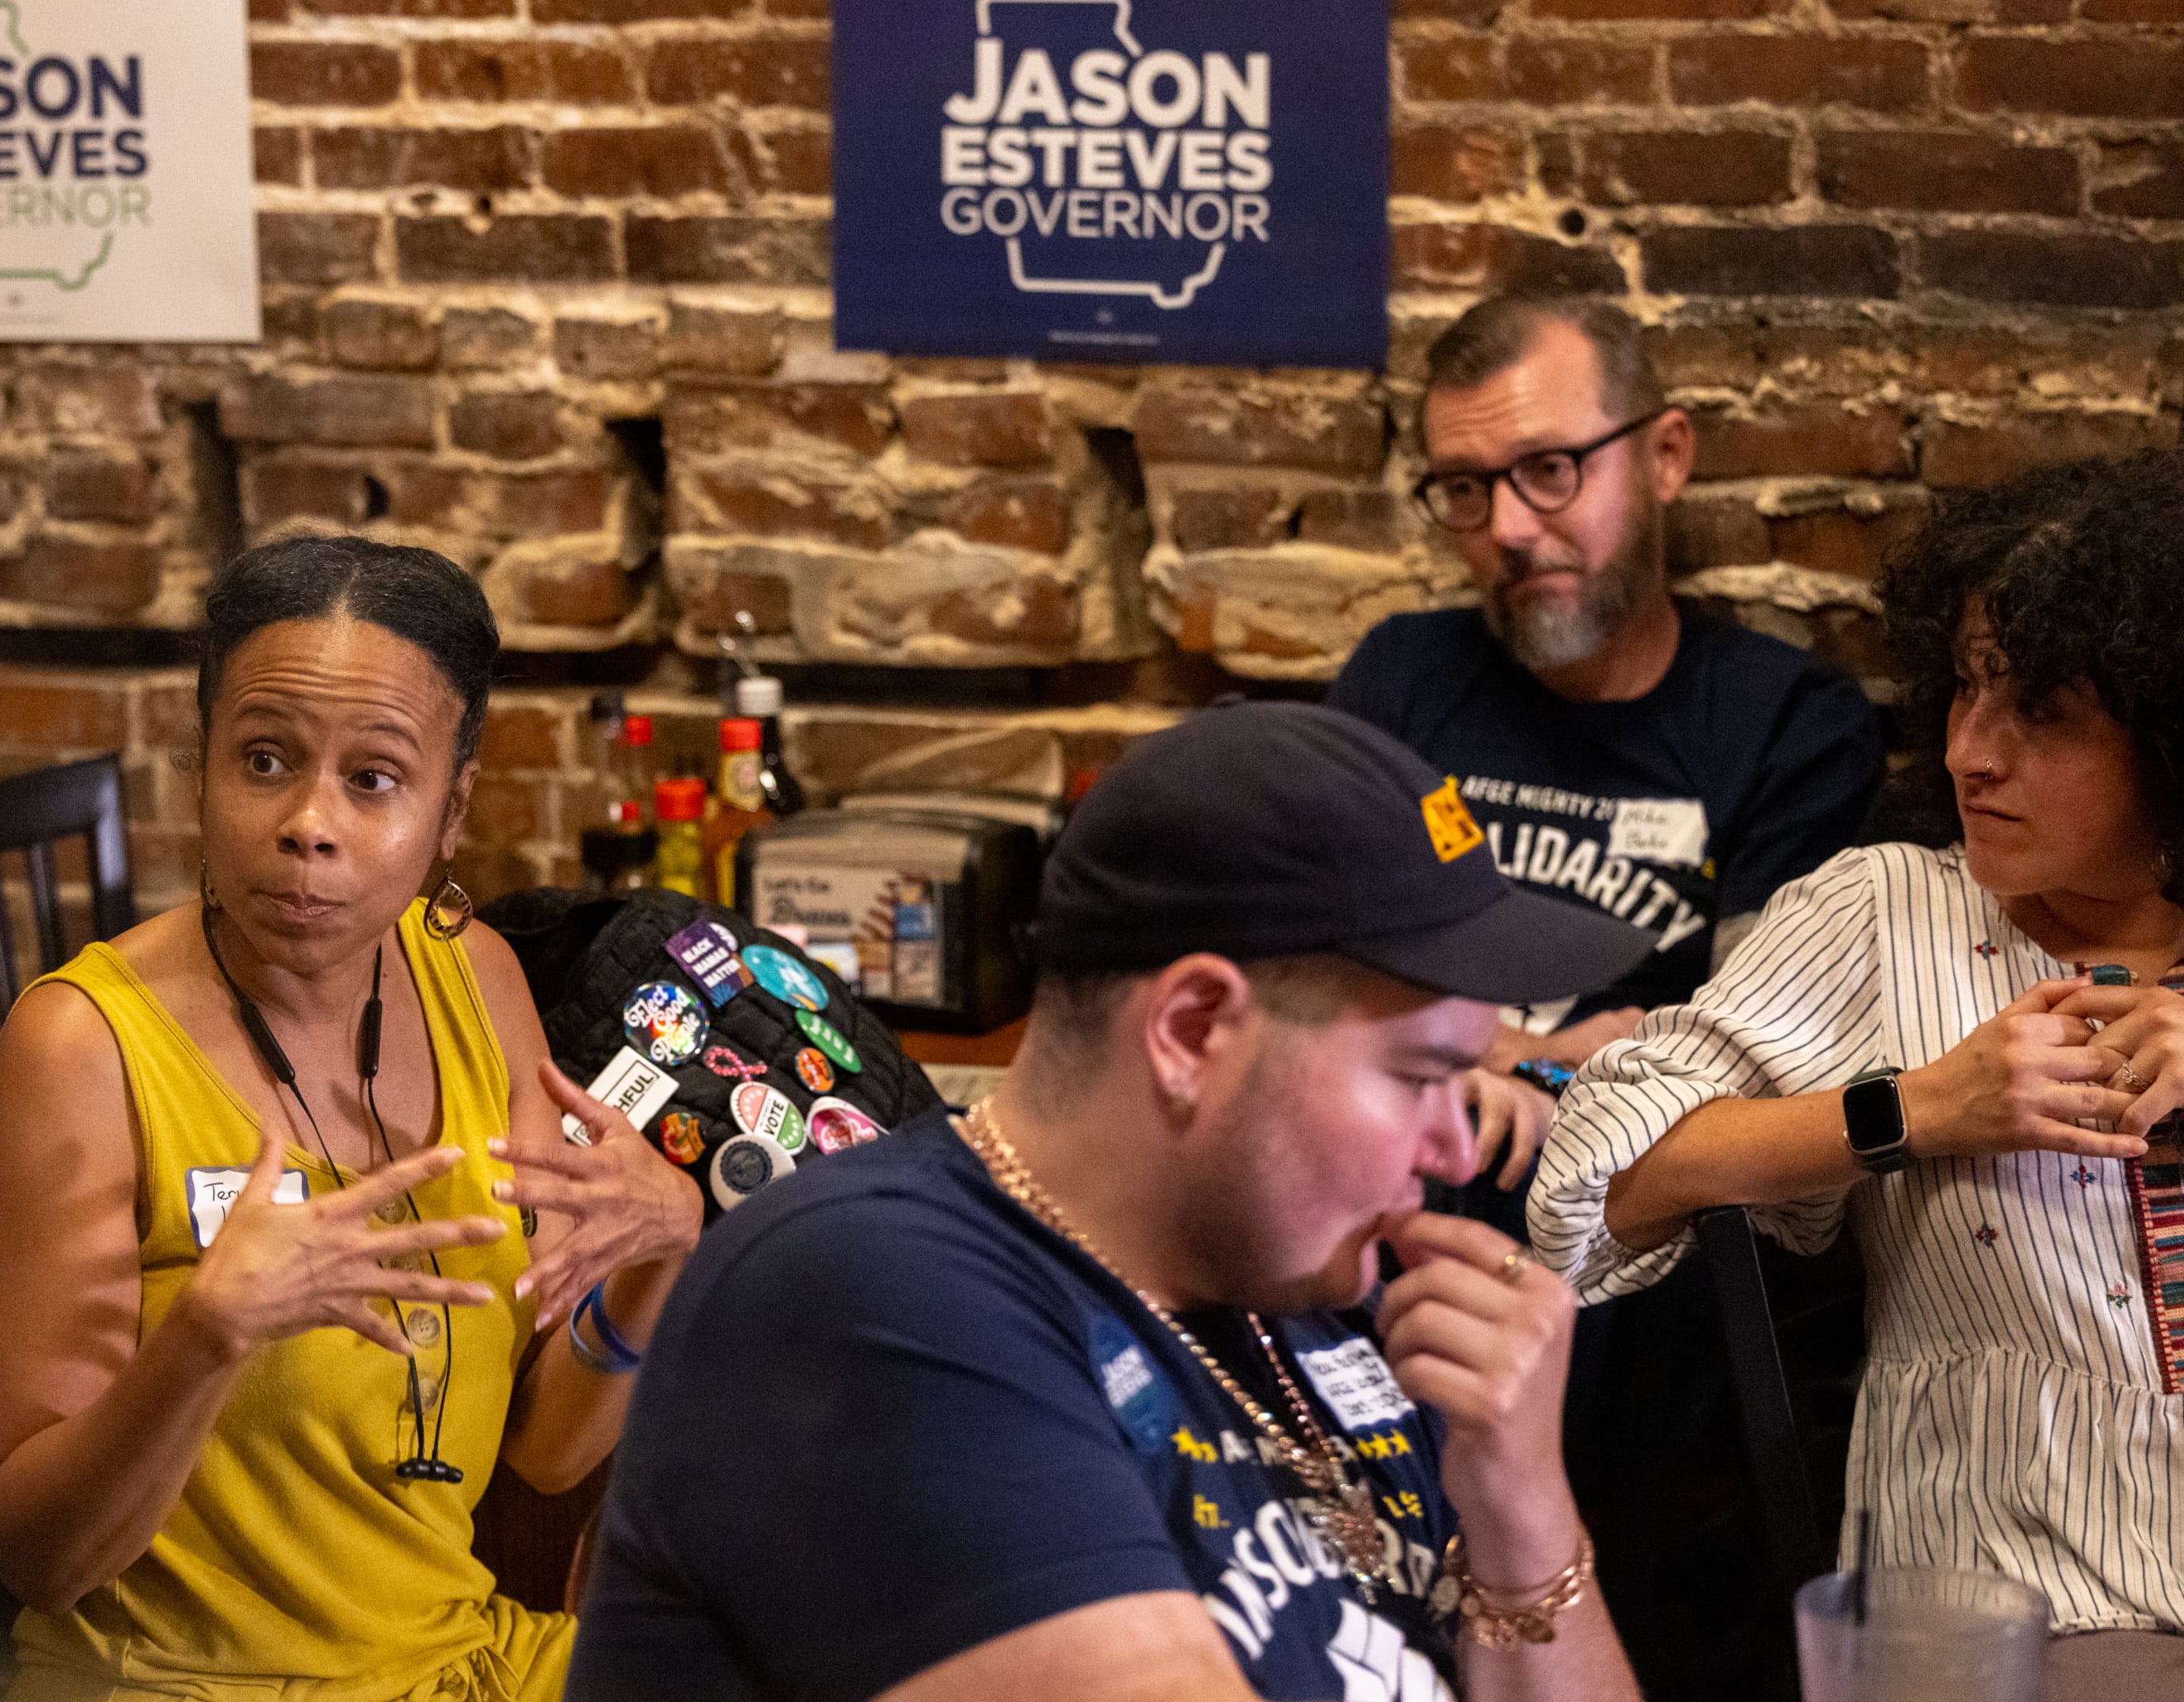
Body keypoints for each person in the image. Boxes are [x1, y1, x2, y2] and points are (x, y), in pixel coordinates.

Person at [570, 702, 1656, 1702]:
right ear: (1192, 1030)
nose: (1456, 1146)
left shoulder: (1316, 1278)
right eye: (1420, 1078)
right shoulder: (866, 1291)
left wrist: (1524, 1511)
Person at [0, 536, 702, 1702]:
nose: (309, 822)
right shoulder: (79, 1047)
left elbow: (549, 1452)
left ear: (451, 813)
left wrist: (660, 1251)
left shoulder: (479, 982)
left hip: (449, 1659)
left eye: (374, 779)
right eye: (264, 760)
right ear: (202, 772)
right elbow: (41, 1560)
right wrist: (207, 1335)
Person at [1533, 450, 2184, 1696]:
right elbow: (1586, 1185)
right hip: (2036, 1609)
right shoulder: (1888, 916)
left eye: (2041, 712)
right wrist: (1919, 1109)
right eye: (1966, 689)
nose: (1969, 753)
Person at [1328, 295, 1880, 1201]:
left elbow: (1756, 1079)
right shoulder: (1402, 676)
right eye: (1465, 488)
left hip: (1632, 1232)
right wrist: (1513, 1052)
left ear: (1666, 457)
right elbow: (1303, 976)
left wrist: (1503, 1065)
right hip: (1385, 1201)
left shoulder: (1787, 726)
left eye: (1550, 470)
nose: (1507, 528)